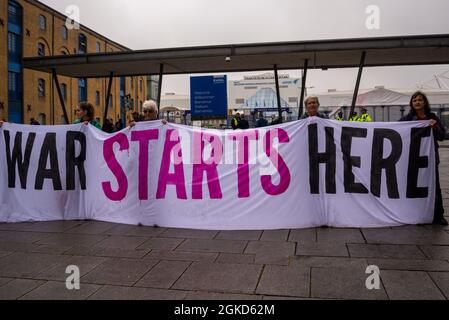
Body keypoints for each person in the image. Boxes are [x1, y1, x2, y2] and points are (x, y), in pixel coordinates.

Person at [400, 91, 447, 225]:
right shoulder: (407, 119)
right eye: (414, 100)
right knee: (413, 186)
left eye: (420, 100)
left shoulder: (432, 117)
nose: (417, 102)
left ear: (425, 102)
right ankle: (415, 213)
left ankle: (439, 215)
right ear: (411, 103)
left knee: (434, 186)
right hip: (413, 157)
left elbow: (442, 136)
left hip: (430, 158)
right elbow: (397, 130)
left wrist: (435, 126)